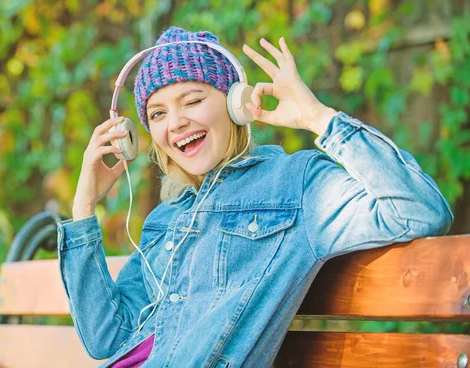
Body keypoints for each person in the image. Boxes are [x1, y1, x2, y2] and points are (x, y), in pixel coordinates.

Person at [57, 26, 453, 367]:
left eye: (192, 101)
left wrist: (317, 117)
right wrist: (83, 209)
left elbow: (418, 208)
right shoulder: (164, 221)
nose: (176, 122)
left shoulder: (294, 186)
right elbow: (107, 340)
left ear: (236, 106)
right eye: (158, 114)